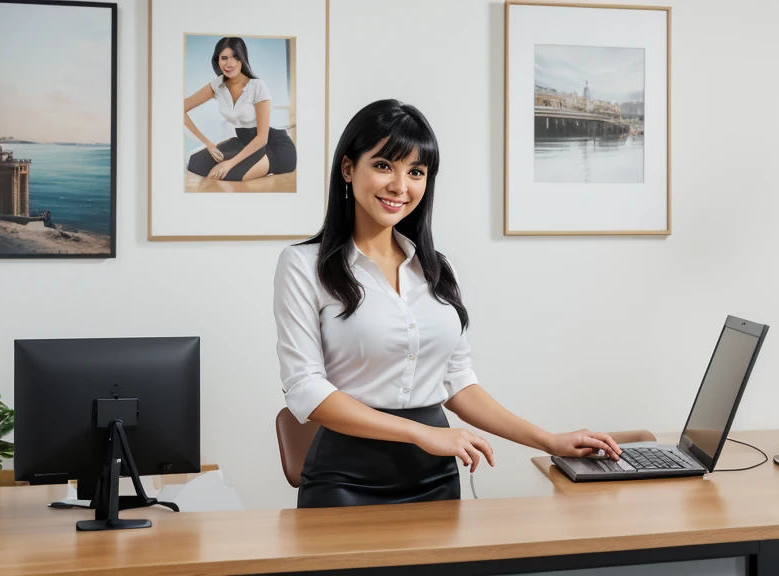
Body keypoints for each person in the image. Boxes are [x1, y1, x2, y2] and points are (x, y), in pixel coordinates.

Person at [273, 100, 622, 508]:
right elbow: (306, 389)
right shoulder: (303, 266)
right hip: (346, 480)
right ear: (349, 169)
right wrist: (423, 433)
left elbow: (457, 383)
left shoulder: (436, 269)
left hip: (435, 477)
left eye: (416, 172)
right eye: (384, 165)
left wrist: (550, 440)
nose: (400, 186)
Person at [184, 37, 297, 182]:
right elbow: (181, 108)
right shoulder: (217, 86)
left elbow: (262, 138)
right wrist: (208, 143)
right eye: (224, 58)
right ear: (217, 60)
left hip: (273, 147)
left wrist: (229, 164)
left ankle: (263, 164)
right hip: (242, 141)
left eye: (235, 57)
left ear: (242, 59)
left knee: (229, 175)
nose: (229, 63)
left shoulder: (257, 86)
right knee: (196, 163)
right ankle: (234, 154)